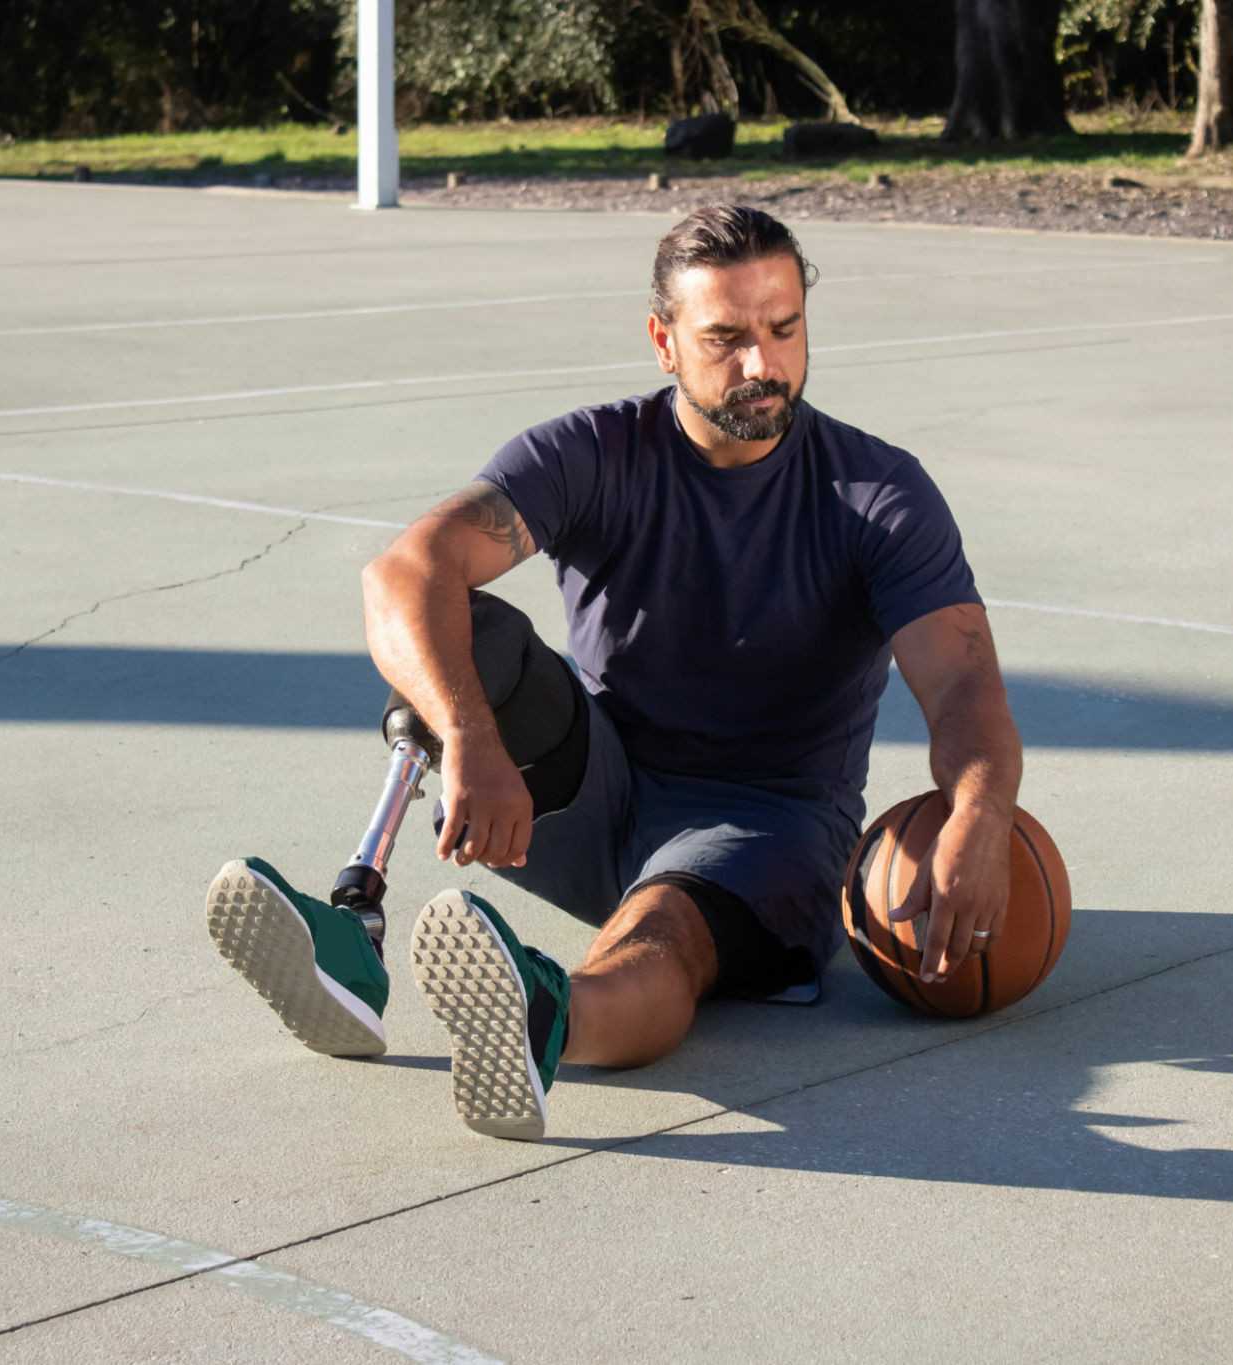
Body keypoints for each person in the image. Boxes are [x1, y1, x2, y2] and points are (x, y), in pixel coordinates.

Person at [206, 206, 1023, 1141]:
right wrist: (470, 731)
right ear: (663, 341)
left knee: (664, 934)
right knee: (463, 624)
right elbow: (402, 571)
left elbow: (963, 687)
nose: (762, 363)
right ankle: (355, 927)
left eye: (785, 329)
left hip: (768, 824)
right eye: (726, 337)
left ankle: (548, 1014)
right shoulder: (594, 452)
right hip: (591, 789)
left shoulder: (877, 495)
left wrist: (979, 815)